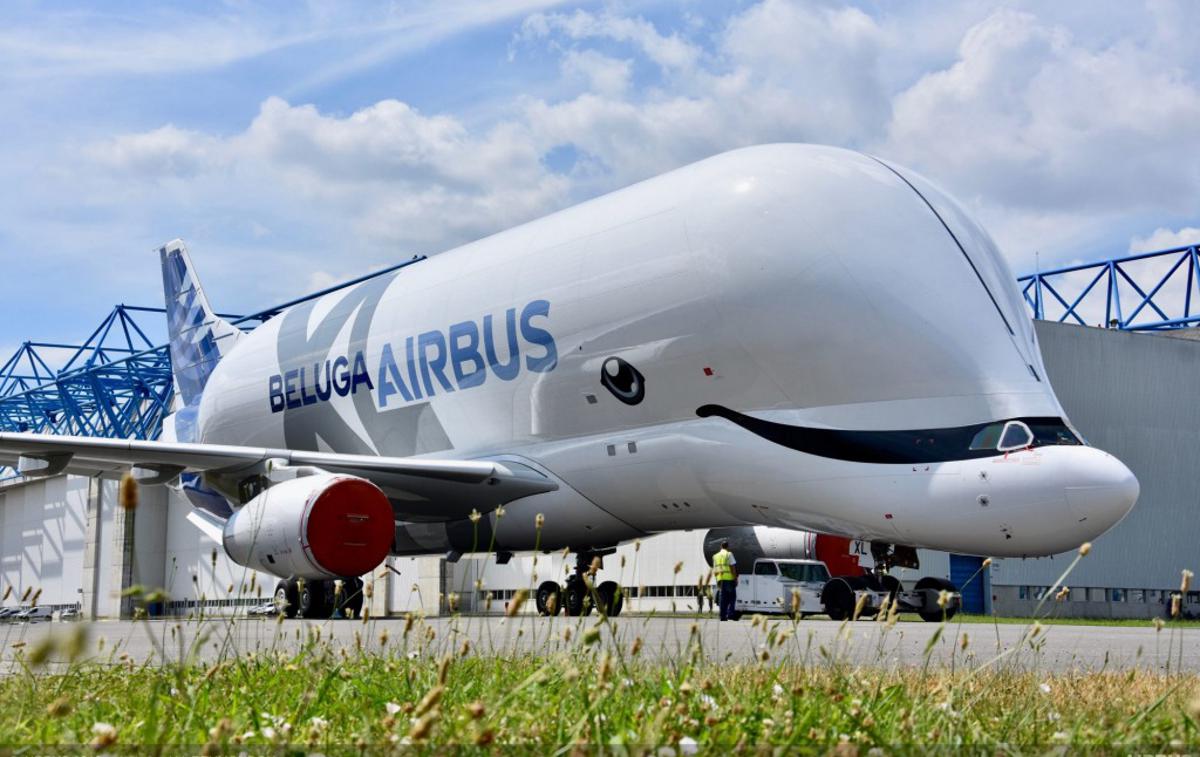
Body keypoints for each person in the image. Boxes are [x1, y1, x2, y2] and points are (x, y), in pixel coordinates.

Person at [712, 540, 738, 621]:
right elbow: (732, 567)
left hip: (720, 580)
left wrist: (717, 580)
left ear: (721, 546)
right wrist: (735, 578)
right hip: (729, 579)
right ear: (728, 546)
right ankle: (730, 614)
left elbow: (715, 570)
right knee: (732, 598)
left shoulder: (715, 556)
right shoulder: (729, 554)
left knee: (722, 599)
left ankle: (722, 616)